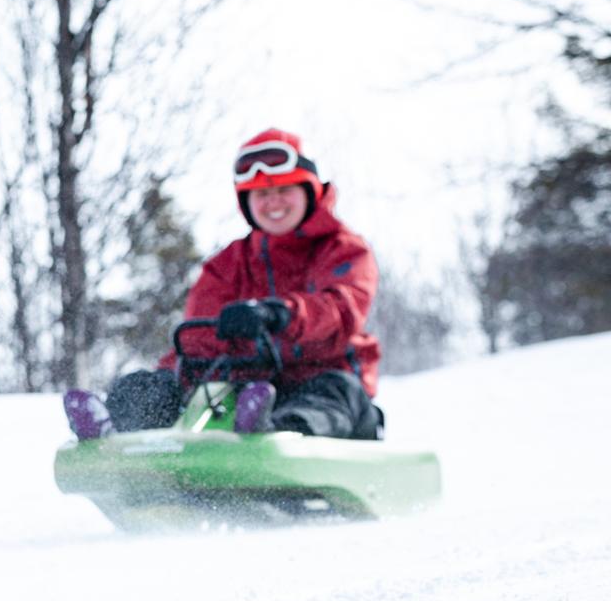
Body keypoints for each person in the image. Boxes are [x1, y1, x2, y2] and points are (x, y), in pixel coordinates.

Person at [64, 127, 383, 440]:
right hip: (245, 388)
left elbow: (341, 309)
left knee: (334, 394)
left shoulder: (343, 249)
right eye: (262, 194)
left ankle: (276, 434)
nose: (273, 202)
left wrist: (278, 314)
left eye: (284, 190)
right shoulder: (227, 264)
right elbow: (201, 337)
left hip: (323, 380)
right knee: (162, 385)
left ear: (309, 191)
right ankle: (116, 429)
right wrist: (168, 379)